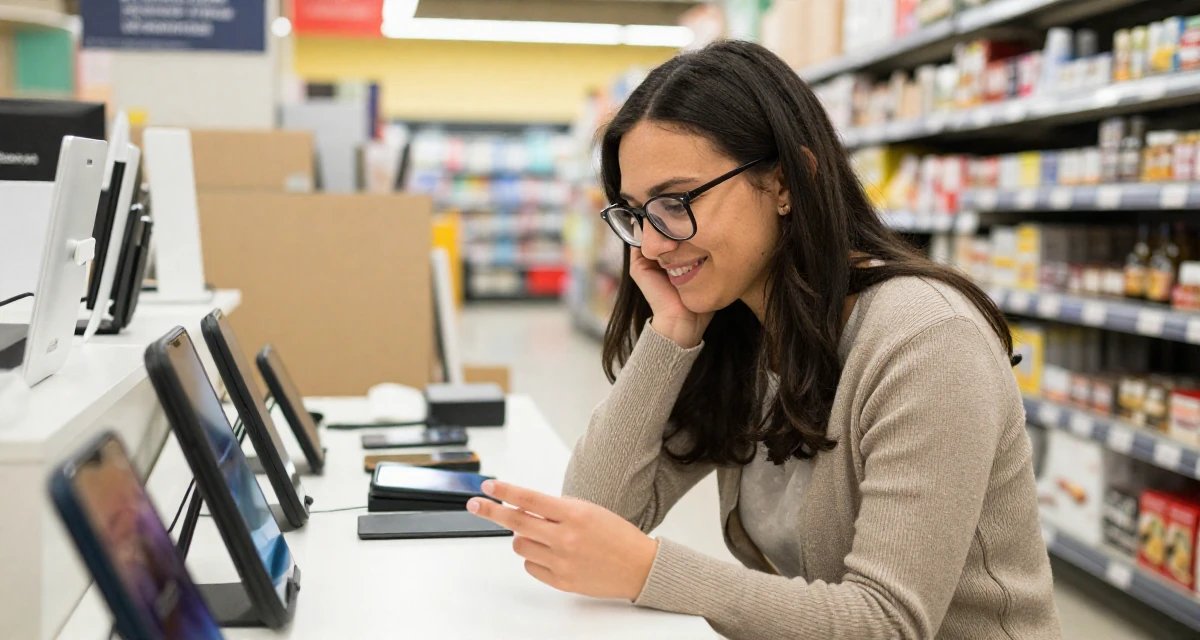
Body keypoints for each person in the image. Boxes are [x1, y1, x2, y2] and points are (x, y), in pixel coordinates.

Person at [467, 40, 1061, 639]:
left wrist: (649, 570)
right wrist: (671, 332)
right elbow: (594, 515)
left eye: (676, 202)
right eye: (636, 214)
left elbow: (889, 623)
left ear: (785, 182)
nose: (650, 245)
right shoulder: (742, 327)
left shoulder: (926, 341)